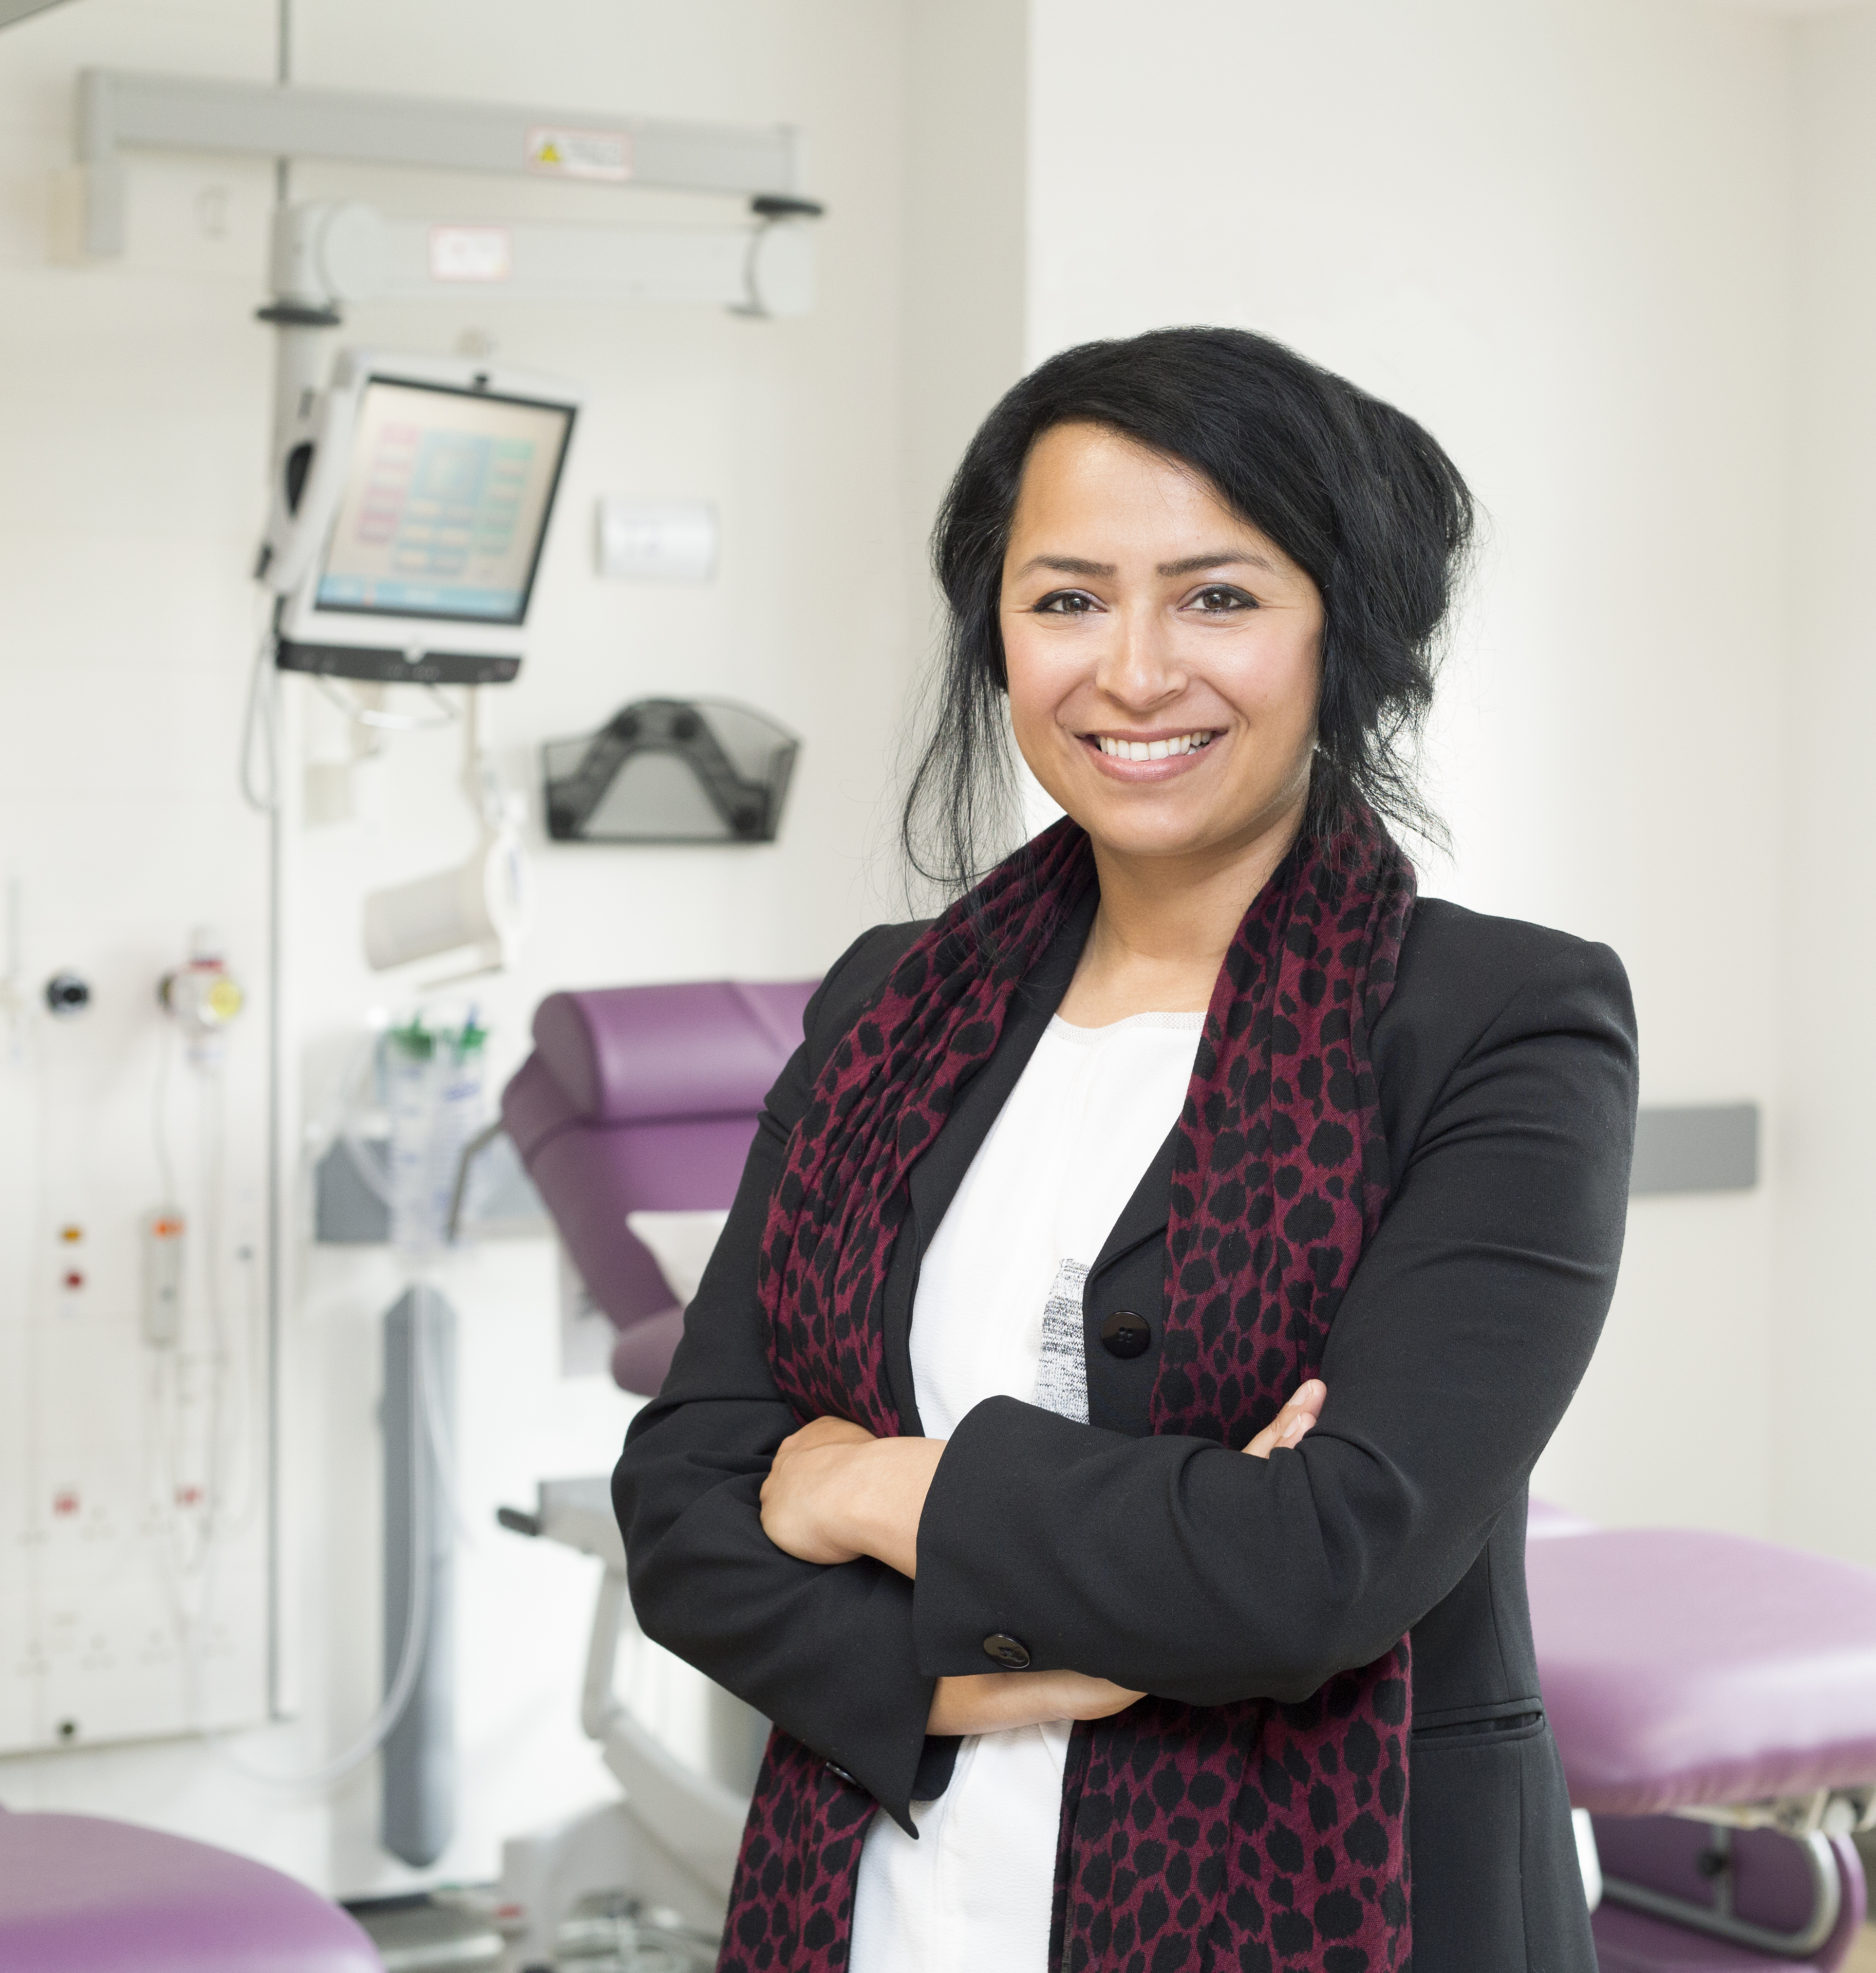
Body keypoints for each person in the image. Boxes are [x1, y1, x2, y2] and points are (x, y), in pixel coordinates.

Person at [612, 326, 1637, 1973]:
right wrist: (953, 1673)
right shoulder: (893, 1004)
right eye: (1067, 598)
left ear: (1343, 633)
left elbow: (1323, 1563)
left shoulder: (1499, 1020)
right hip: (879, 1904)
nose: (1136, 672)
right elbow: (682, 1498)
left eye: (1219, 598)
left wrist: (862, 1483)